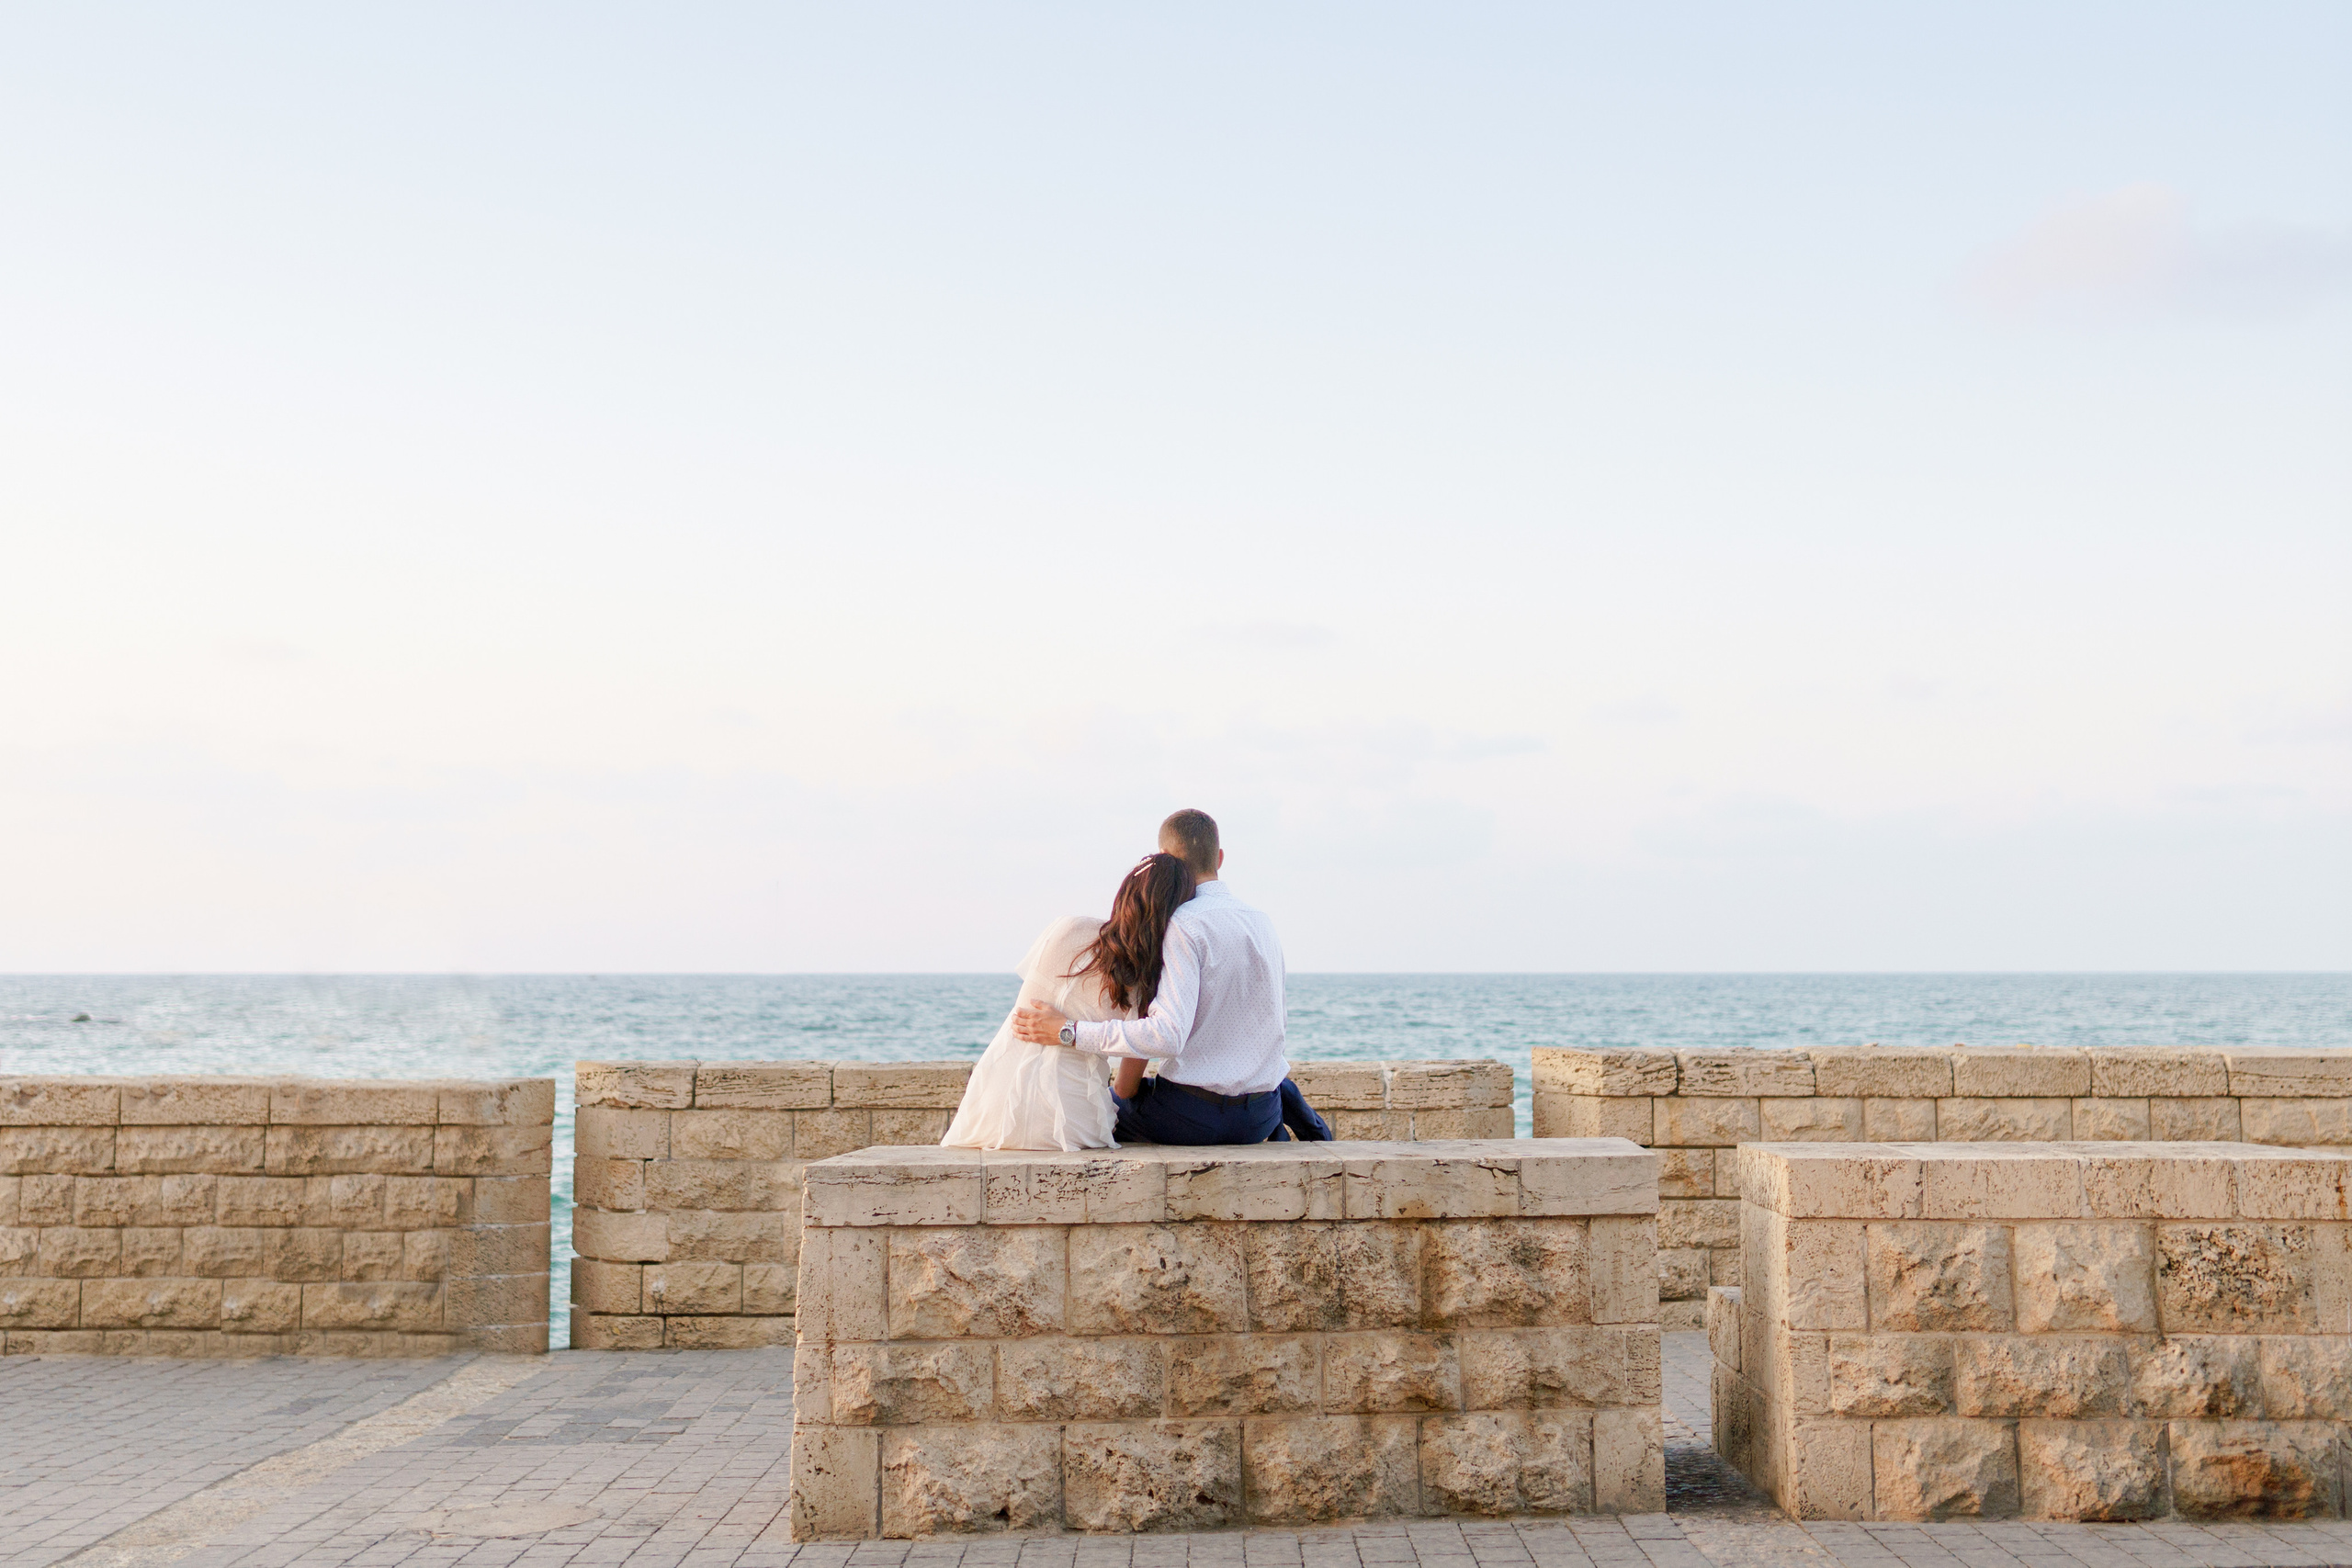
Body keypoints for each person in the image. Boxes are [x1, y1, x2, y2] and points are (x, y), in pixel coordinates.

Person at [1012, 808, 1329, 1145]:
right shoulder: (1262, 921)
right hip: (1260, 1116)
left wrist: (1069, 1031)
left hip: (1194, 1120)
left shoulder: (1183, 924)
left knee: (1099, 1115)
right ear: (1219, 858)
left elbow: (1166, 1036)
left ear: (1165, 859)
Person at [940, 851, 1198, 1150]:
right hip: (1072, 1125)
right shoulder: (1148, 982)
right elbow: (1126, 1089)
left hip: (990, 1109)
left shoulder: (1065, 927)